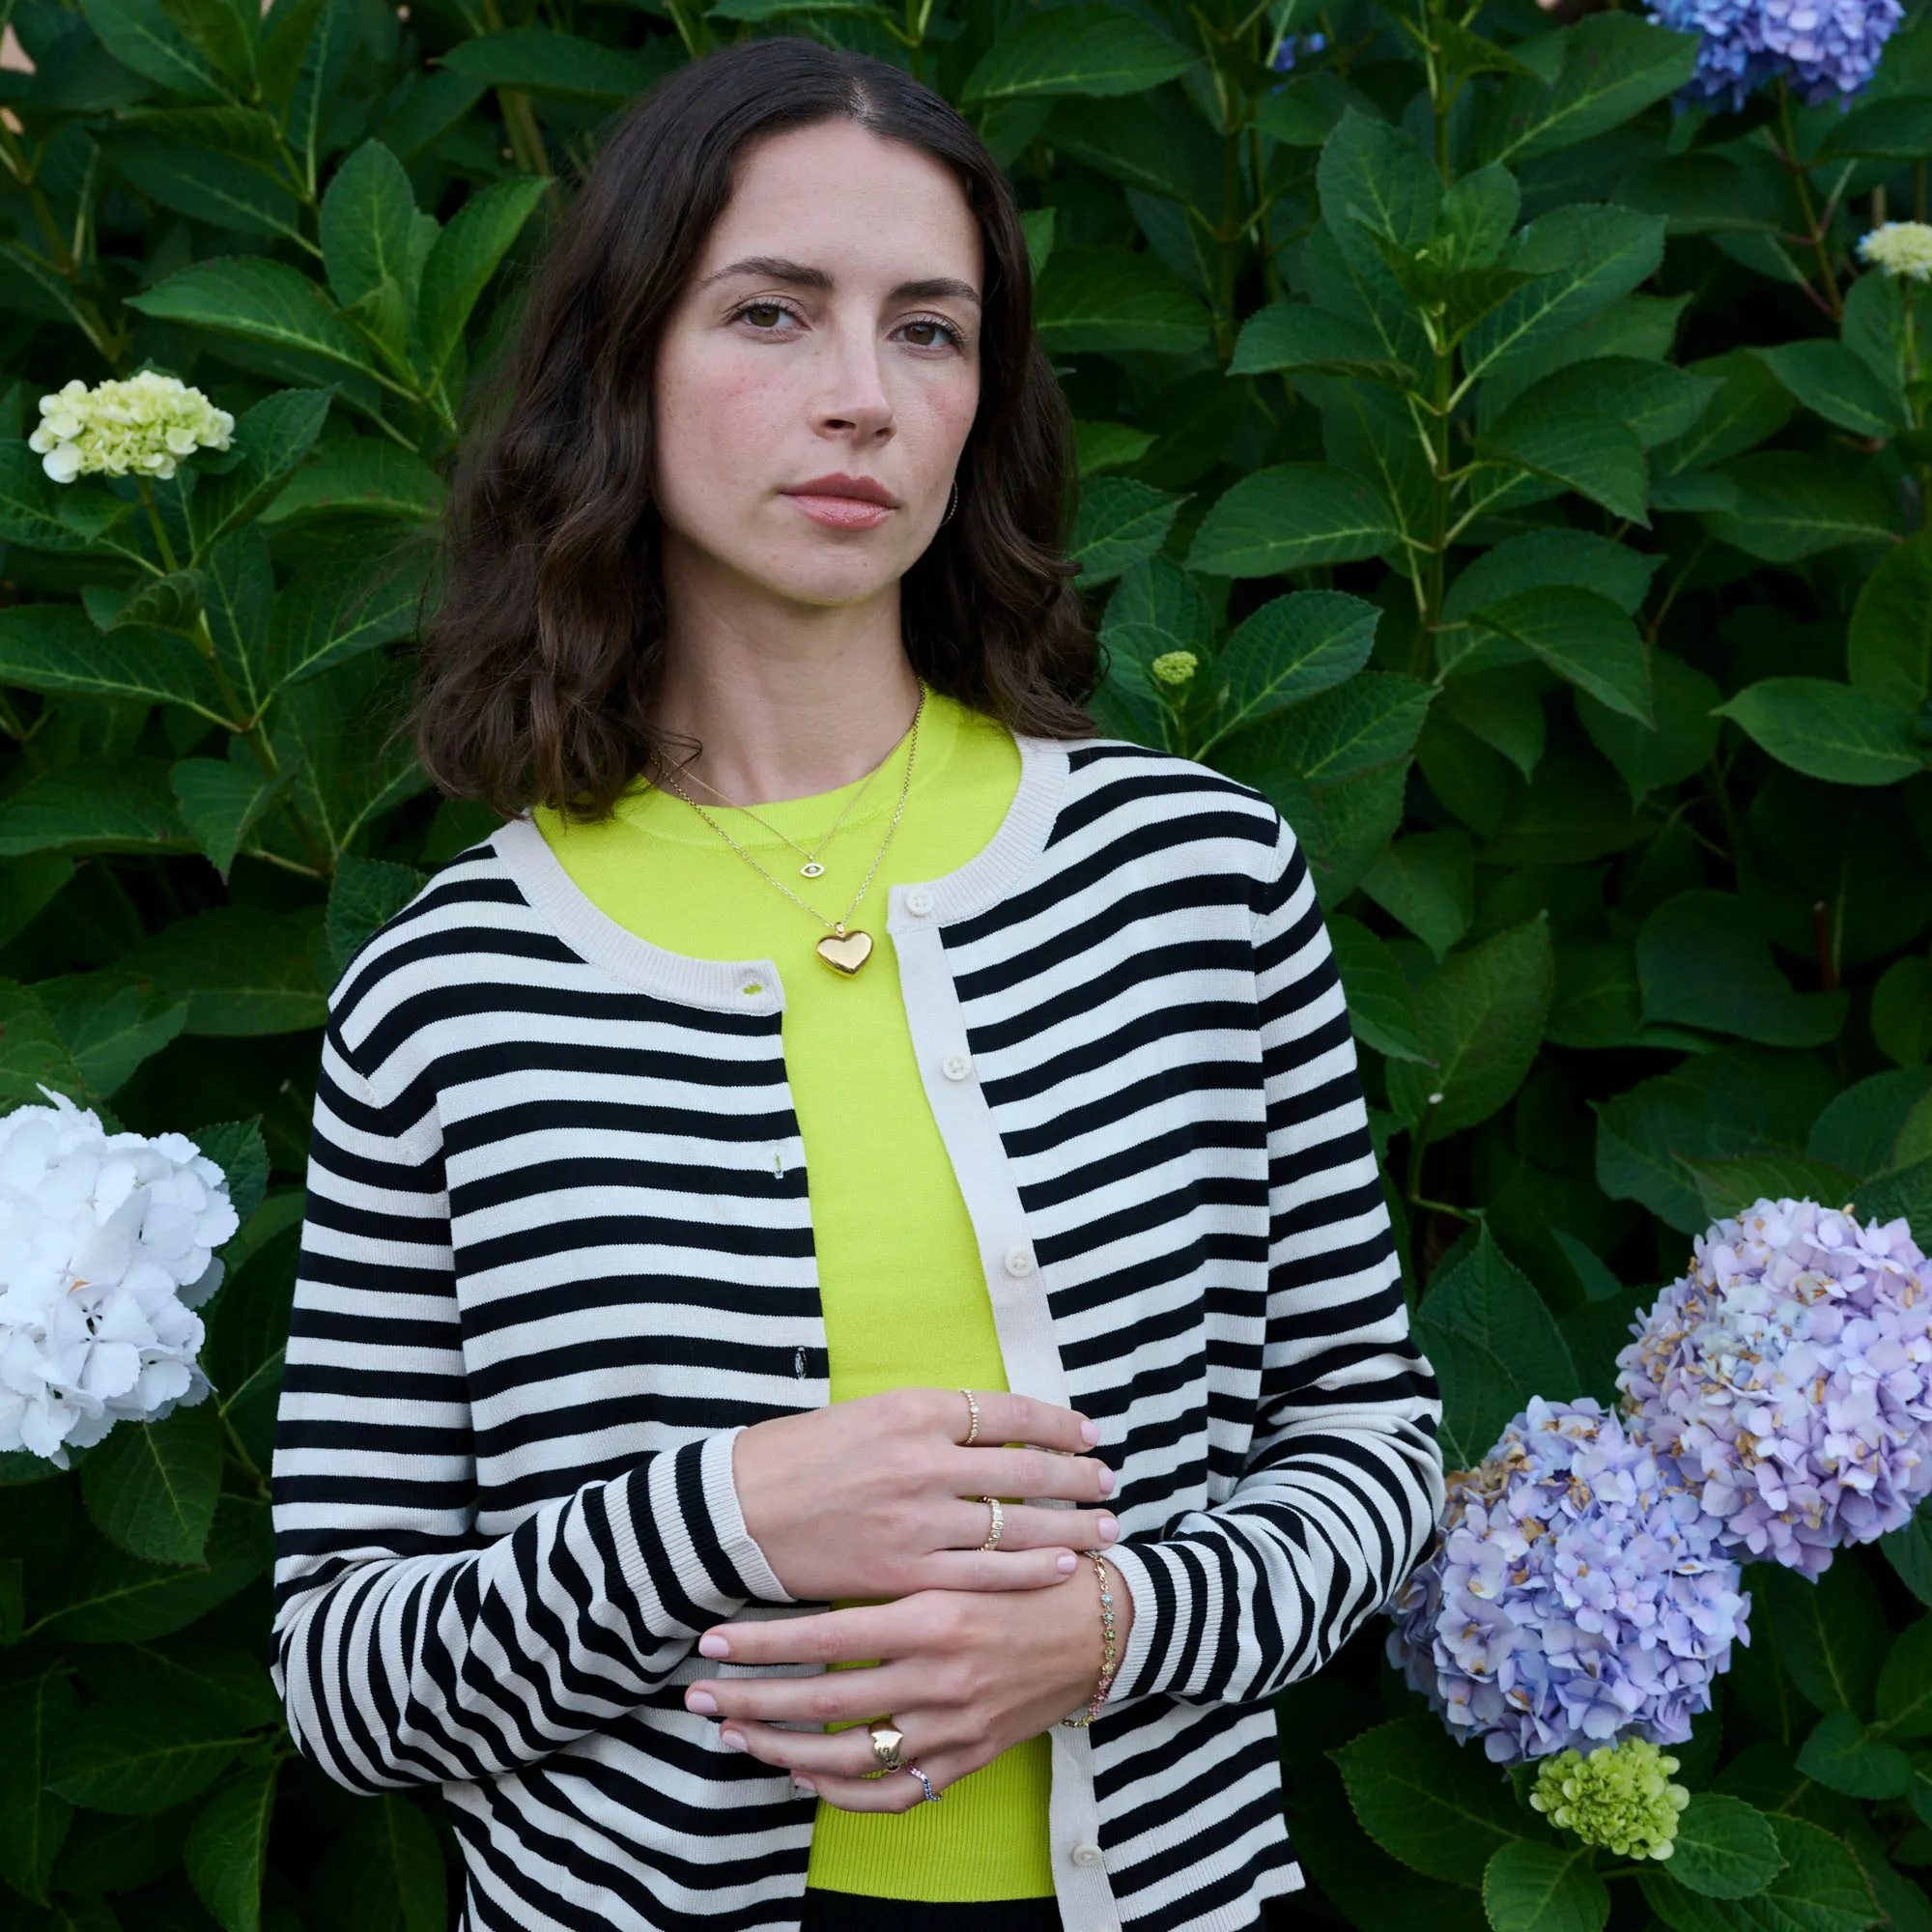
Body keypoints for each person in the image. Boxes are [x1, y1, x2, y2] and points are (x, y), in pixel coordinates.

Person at [269, 34, 1445, 1932]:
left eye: (928, 330)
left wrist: (1112, 1624)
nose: (860, 398)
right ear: (623, 366)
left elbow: (1373, 1449)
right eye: (771, 313)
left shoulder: (1193, 875)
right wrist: (728, 1520)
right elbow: (345, 1672)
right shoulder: (451, 989)